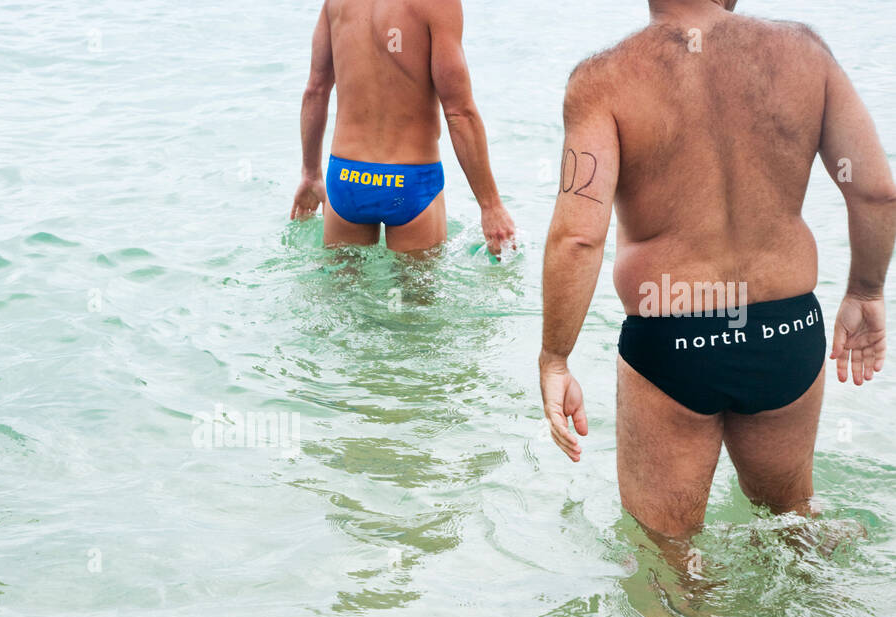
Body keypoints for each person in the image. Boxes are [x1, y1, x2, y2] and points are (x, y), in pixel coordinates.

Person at [540, 0, 896, 539]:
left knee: (668, 555)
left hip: (672, 336)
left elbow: (579, 237)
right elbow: (875, 192)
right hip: (789, 332)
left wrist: (555, 358)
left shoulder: (603, 80)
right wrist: (866, 292)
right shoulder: (806, 54)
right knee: (792, 525)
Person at [289, 0, 515, 255]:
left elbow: (315, 91)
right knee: (416, 293)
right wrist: (491, 205)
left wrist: (310, 174)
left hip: (346, 178)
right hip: (410, 180)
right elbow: (459, 112)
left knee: (343, 293)